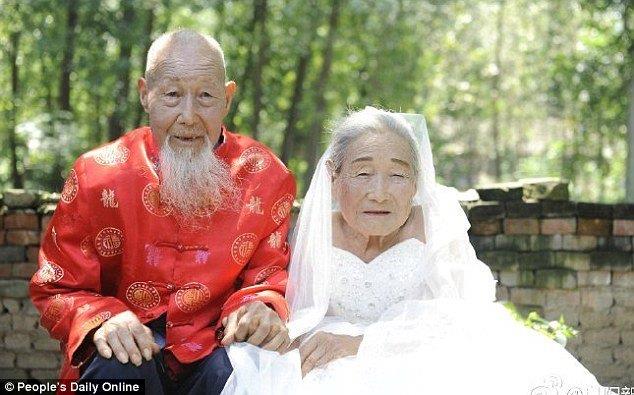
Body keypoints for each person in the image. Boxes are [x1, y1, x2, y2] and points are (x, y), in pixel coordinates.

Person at [222, 107, 613, 395]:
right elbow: (301, 309)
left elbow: (466, 316)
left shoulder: (434, 224)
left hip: (421, 349)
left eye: (397, 174)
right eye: (362, 173)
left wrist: (366, 345)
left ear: (415, 181)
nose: (380, 191)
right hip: (329, 355)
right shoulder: (315, 230)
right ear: (334, 177)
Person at [29, 29, 296, 395]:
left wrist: (260, 306)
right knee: (117, 367)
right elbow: (57, 286)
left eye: (205, 96)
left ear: (227, 99)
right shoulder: (98, 174)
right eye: (172, 95)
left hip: (214, 344)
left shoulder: (265, 175)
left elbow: (268, 277)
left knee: (249, 370)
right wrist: (103, 319)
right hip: (130, 344)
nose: (188, 116)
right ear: (145, 94)